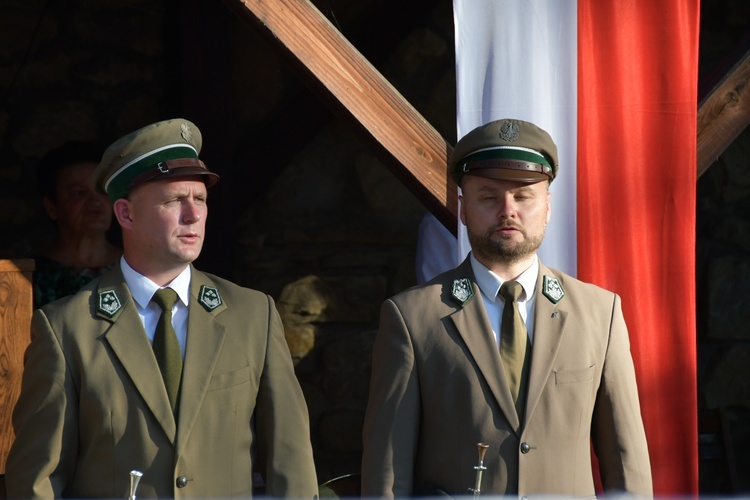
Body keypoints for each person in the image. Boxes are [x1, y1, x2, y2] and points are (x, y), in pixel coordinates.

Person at [6, 118, 319, 498]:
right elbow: (35, 480)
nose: (193, 215)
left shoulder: (253, 315)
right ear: (125, 214)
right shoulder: (67, 328)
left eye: (200, 199)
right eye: (174, 200)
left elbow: (291, 465)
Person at [361, 118, 652, 497]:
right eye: (488, 196)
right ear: (463, 209)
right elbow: (387, 473)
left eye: (524, 196)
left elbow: (627, 465)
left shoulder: (600, 314)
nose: (507, 210)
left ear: (548, 206)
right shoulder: (412, 318)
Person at [32, 141, 122, 307]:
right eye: (79, 193)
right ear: (51, 207)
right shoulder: (31, 277)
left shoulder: (136, 268)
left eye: (101, 191)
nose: (95, 201)